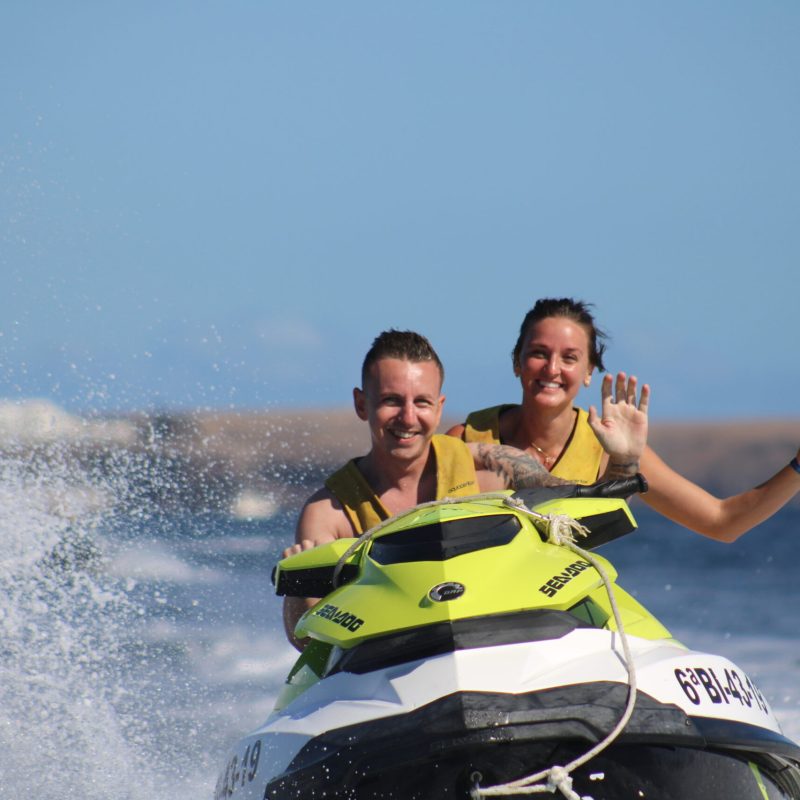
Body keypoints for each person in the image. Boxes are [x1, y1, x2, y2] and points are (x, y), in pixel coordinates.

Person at [283, 328, 648, 650]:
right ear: (362, 404)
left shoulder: (489, 466)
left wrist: (625, 458)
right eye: (391, 401)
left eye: (421, 402)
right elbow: (309, 642)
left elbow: (588, 508)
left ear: (439, 407)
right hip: (391, 668)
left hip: (500, 648)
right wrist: (297, 588)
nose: (408, 417)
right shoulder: (330, 513)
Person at [447, 297, 800, 543]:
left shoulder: (610, 450)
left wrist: (798, 467)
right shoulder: (466, 440)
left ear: (589, 371)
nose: (552, 369)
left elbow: (723, 521)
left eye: (569, 358)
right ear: (517, 362)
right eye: (539, 353)